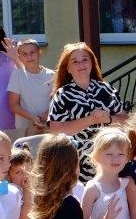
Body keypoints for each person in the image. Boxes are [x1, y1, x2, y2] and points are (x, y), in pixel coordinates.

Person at [47, 42, 126, 181]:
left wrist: (108, 119)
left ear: (92, 63)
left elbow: (126, 120)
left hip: (110, 157)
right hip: (77, 160)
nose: (81, 64)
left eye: (85, 60)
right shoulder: (62, 94)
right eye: (75, 61)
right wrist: (90, 120)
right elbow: (56, 129)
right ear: (68, 68)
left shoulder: (106, 89)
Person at [7, 39, 54, 140]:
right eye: (24, 54)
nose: (29, 56)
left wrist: (48, 112)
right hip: (25, 129)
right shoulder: (17, 75)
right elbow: (13, 105)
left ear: (39, 53)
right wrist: (33, 118)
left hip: (48, 127)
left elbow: (56, 100)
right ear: (19, 57)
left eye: (32, 52)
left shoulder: (51, 75)